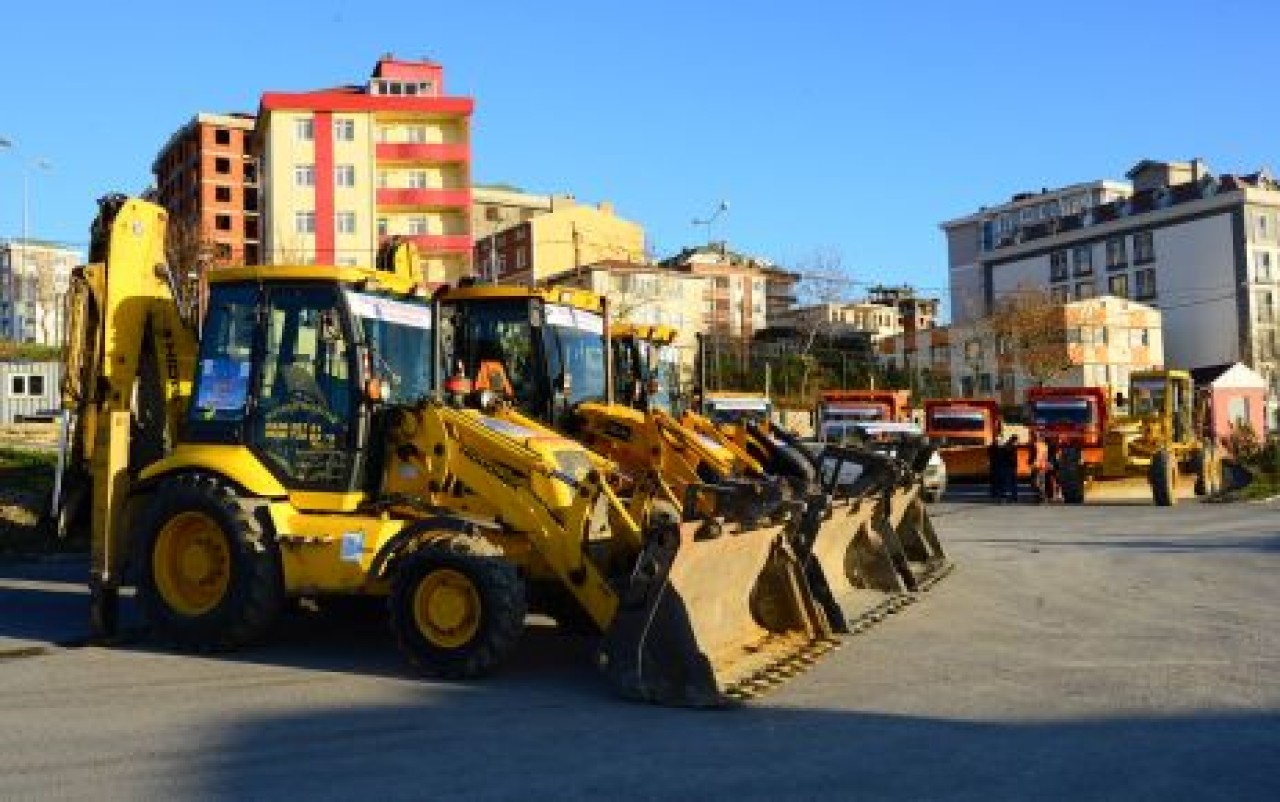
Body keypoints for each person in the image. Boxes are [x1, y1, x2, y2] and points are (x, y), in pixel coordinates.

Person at [999, 433, 1020, 503]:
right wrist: (1015, 464)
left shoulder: (1006, 446)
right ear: (1014, 440)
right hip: (1009, 467)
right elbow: (1011, 458)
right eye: (1017, 441)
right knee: (1012, 483)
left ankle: (1005, 497)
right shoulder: (1010, 447)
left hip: (1006, 466)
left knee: (1006, 483)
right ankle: (1013, 497)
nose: (1018, 443)